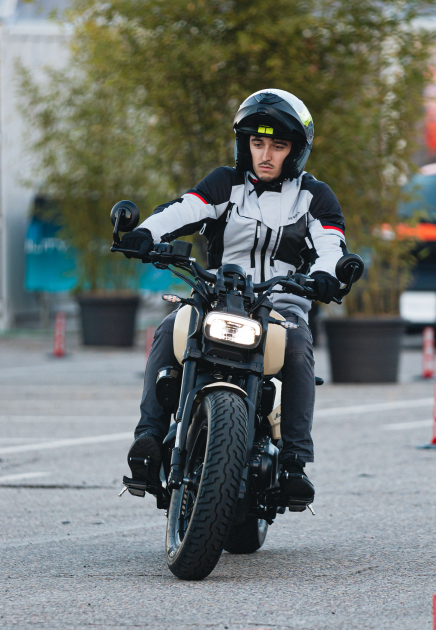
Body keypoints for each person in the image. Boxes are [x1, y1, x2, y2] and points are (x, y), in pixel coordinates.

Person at [118, 88, 347, 506]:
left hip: (280, 303)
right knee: (170, 329)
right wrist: (146, 233)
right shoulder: (226, 182)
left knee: (297, 348)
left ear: (294, 151)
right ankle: (148, 440)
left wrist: (327, 276)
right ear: (245, 144)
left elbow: (332, 247)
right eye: (257, 143)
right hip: (216, 295)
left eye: (278, 146)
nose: (266, 154)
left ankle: (296, 461)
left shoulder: (315, 197)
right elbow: (184, 209)